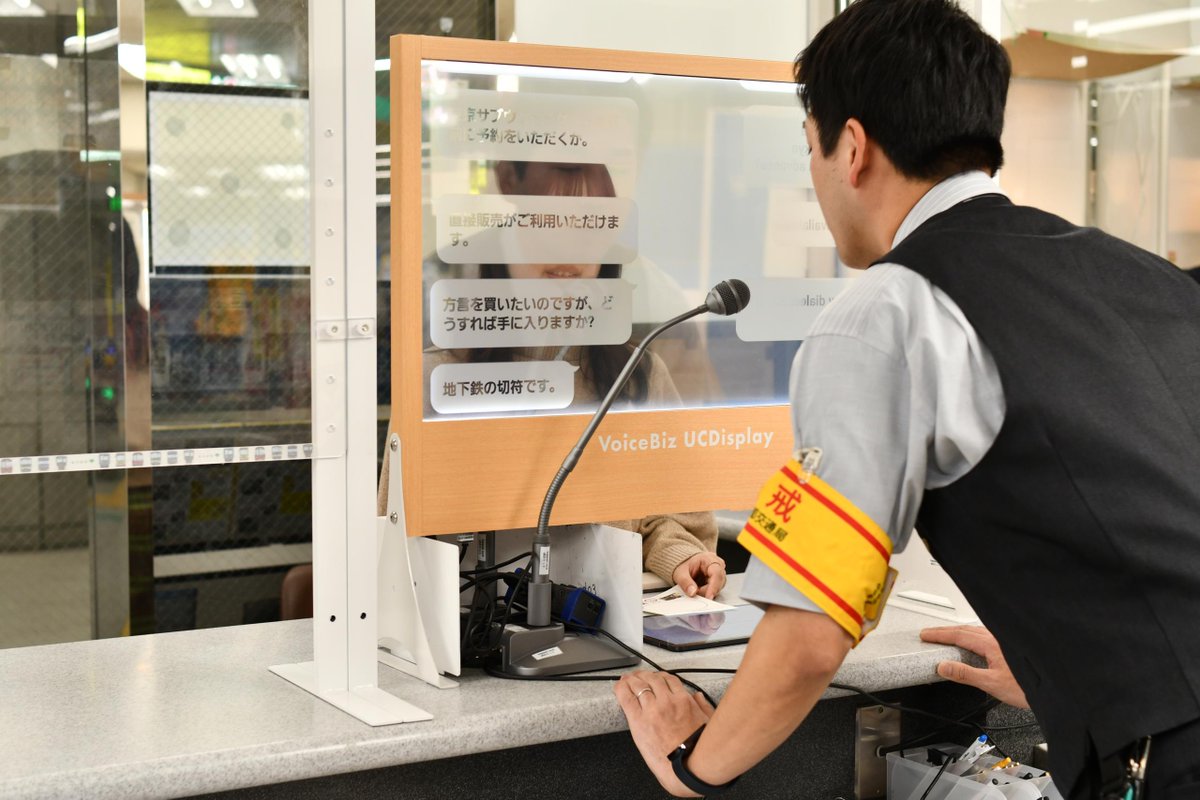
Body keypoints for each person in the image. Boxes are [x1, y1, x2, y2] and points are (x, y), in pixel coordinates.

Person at [614, 1, 1200, 798]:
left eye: (810, 149)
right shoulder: (1136, 273)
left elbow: (812, 633)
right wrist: (1068, 664)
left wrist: (695, 764)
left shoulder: (887, 311)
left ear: (850, 148)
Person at [382, 159, 727, 599]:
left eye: (589, 227)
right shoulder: (438, 380)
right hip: (465, 634)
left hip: (603, 623)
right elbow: (395, 538)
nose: (569, 251)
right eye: (546, 225)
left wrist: (681, 555)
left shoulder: (637, 375)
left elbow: (670, 515)